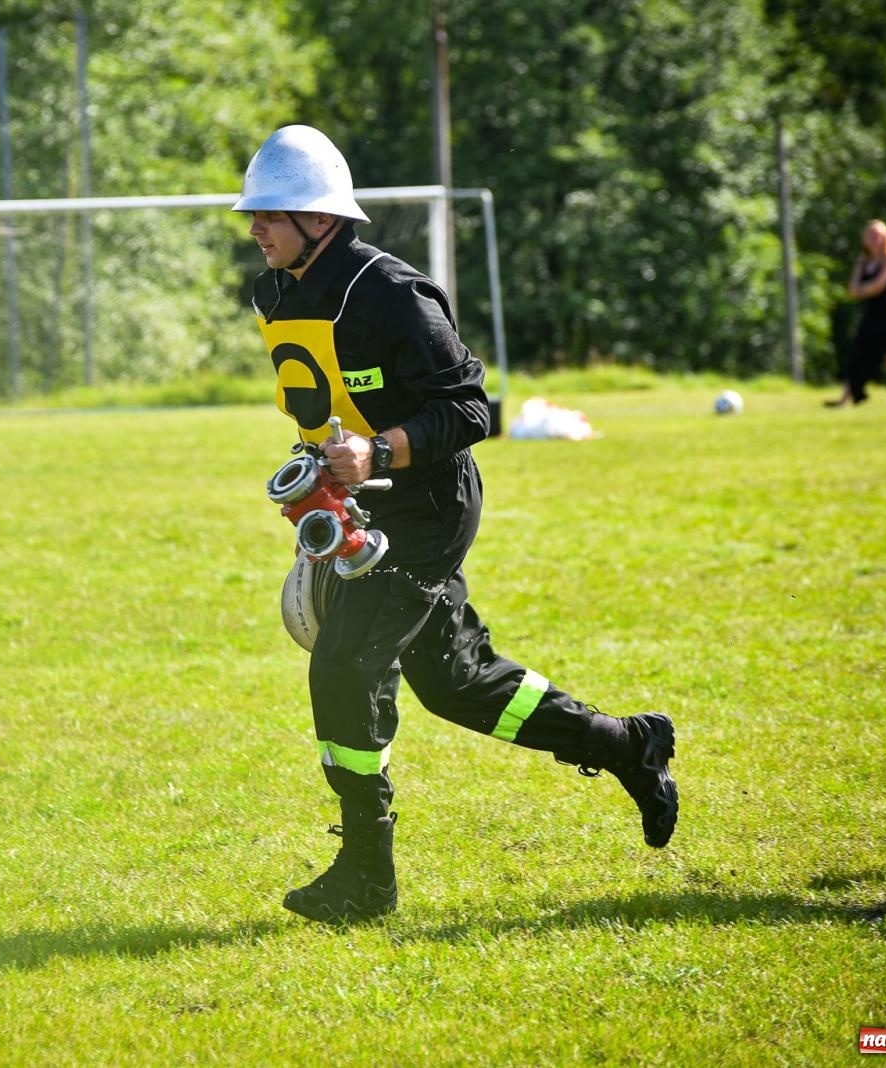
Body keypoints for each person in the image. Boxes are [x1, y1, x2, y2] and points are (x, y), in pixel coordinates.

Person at [235, 125, 679, 924]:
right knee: (457, 682)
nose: (256, 228)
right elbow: (323, 404)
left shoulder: (393, 294)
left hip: (430, 506)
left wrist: (379, 452)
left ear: (321, 218)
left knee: (344, 667)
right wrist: (317, 494)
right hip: (363, 507)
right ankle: (626, 745)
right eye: (253, 215)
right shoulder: (272, 292)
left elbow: (473, 410)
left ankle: (366, 876)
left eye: (270, 213)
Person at [828, 219, 886, 408]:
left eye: (877, 235)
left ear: (885, 237)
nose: (873, 238)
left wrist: (863, 289)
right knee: (857, 355)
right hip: (869, 315)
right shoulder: (863, 261)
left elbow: (879, 286)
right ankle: (845, 398)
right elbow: (852, 290)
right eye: (870, 234)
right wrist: (867, 289)